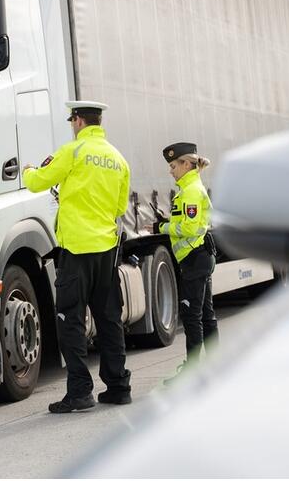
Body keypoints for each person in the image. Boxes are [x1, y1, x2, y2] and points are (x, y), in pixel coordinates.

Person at [23, 101, 132, 413]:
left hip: (77, 251)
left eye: (72, 120)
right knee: (109, 318)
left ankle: (80, 392)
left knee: (70, 320)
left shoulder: (72, 151)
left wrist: (31, 169)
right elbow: (120, 208)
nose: (71, 124)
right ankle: (118, 387)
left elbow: (36, 183)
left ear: (79, 120)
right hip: (106, 251)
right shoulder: (118, 159)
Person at [155, 142, 218, 379]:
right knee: (206, 314)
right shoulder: (190, 187)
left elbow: (190, 227)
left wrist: (163, 226)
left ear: (185, 164)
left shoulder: (190, 190)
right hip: (198, 257)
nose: (170, 171)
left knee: (193, 316)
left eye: (173, 165)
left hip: (194, 258)